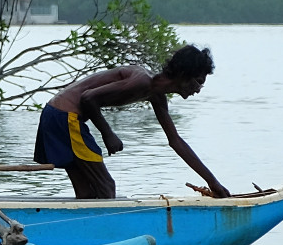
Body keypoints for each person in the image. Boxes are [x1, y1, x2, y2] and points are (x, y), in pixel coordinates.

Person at [33, 45, 231, 200]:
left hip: (56, 114)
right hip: (65, 117)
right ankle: (106, 237)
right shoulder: (142, 81)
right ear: (183, 75)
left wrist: (212, 182)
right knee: (107, 187)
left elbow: (176, 141)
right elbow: (88, 98)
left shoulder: (156, 96)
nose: (197, 89)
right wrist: (107, 133)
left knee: (86, 193)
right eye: (198, 82)